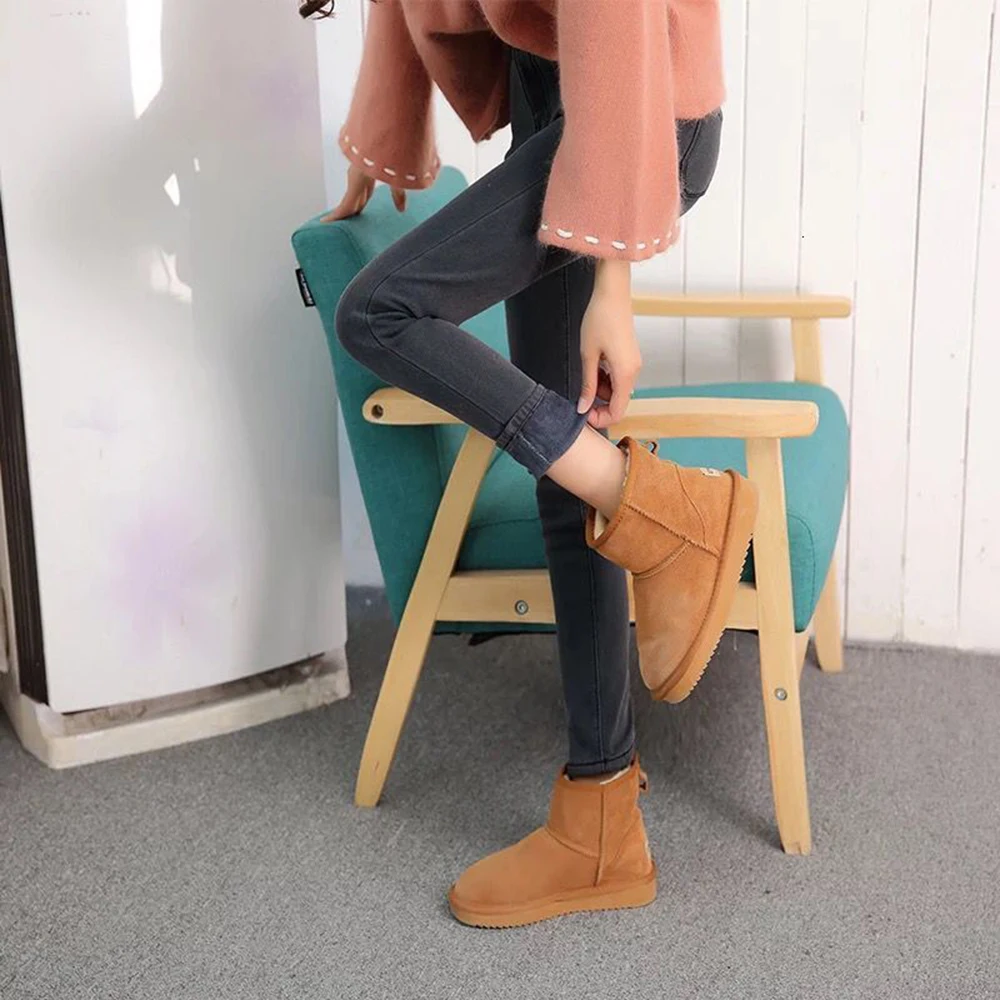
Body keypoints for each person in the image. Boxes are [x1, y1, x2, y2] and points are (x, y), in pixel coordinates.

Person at [320, 0, 756, 928]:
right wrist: (379, 144)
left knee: (380, 312)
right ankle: (601, 815)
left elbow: (622, 28)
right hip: (554, 102)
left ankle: (667, 514)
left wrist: (613, 283)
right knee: (564, 463)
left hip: (634, 114)